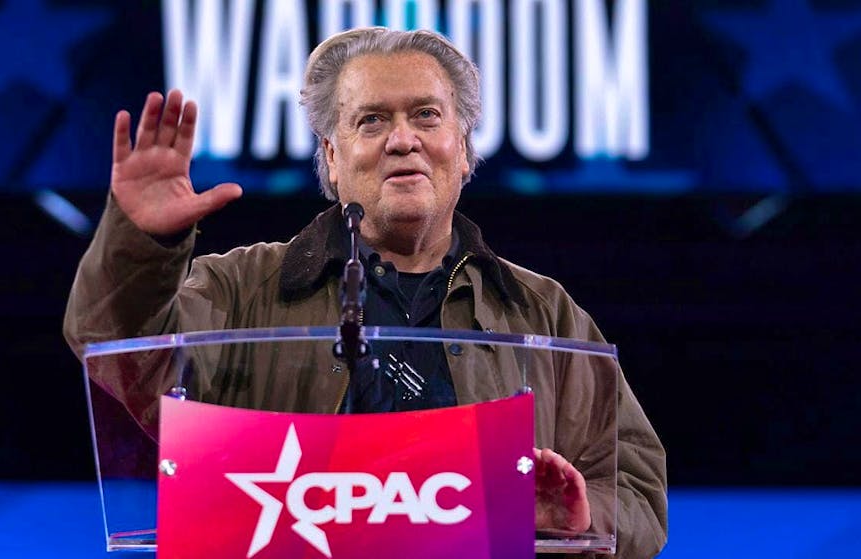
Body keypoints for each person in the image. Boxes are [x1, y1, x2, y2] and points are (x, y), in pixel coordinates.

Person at [65, 27, 667, 558]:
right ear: (330, 157)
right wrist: (140, 242)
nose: (402, 140)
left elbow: (637, 487)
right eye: (371, 120)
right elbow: (120, 352)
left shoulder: (542, 310)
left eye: (427, 115)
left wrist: (582, 520)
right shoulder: (240, 289)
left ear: (463, 149)